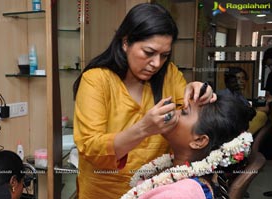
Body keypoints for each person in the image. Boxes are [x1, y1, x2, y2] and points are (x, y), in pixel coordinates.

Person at [73, 3, 216, 198]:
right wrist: (143, 129)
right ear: (125, 42)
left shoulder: (169, 75)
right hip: (104, 192)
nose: (157, 64)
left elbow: (190, 120)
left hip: (156, 191)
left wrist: (199, 93)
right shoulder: (96, 80)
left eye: (164, 55)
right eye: (148, 53)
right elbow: (90, 148)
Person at [121, 93, 255, 199]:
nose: (174, 113)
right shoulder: (180, 178)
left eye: (183, 112)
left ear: (199, 141)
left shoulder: (179, 194)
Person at [217, 67, 269, 134]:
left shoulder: (239, 95)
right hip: (230, 129)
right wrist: (256, 111)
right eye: (237, 78)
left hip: (241, 126)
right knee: (262, 116)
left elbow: (247, 108)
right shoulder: (224, 95)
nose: (241, 81)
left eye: (243, 78)